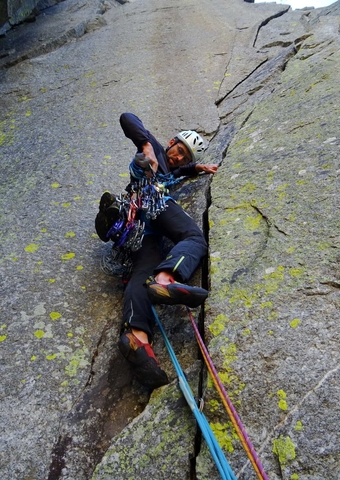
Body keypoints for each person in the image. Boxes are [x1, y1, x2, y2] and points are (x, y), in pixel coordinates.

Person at [96, 112, 218, 389]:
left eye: (185, 157)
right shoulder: (154, 148)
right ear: (171, 142)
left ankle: (137, 336)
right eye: (179, 151)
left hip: (138, 224)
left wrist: (195, 169)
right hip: (154, 201)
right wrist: (147, 146)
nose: (178, 158)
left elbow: (174, 172)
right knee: (194, 239)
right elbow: (128, 118)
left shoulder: (171, 165)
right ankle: (166, 280)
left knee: (142, 271)